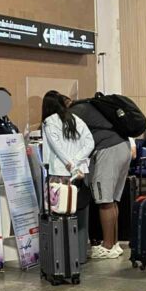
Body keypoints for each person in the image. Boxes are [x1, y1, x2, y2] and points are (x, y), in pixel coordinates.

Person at [71, 96, 133, 259]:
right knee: (112, 201)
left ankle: (107, 246)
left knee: (104, 201)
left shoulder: (75, 111)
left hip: (107, 150)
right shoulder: (91, 107)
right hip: (123, 146)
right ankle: (114, 244)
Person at [41, 91, 94, 263]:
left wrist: (70, 164)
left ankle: (61, 258)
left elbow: (57, 148)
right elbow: (90, 143)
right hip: (80, 174)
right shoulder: (75, 119)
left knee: (58, 216)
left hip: (59, 174)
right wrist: (77, 162)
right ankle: (78, 257)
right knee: (78, 215)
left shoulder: (49, 122)